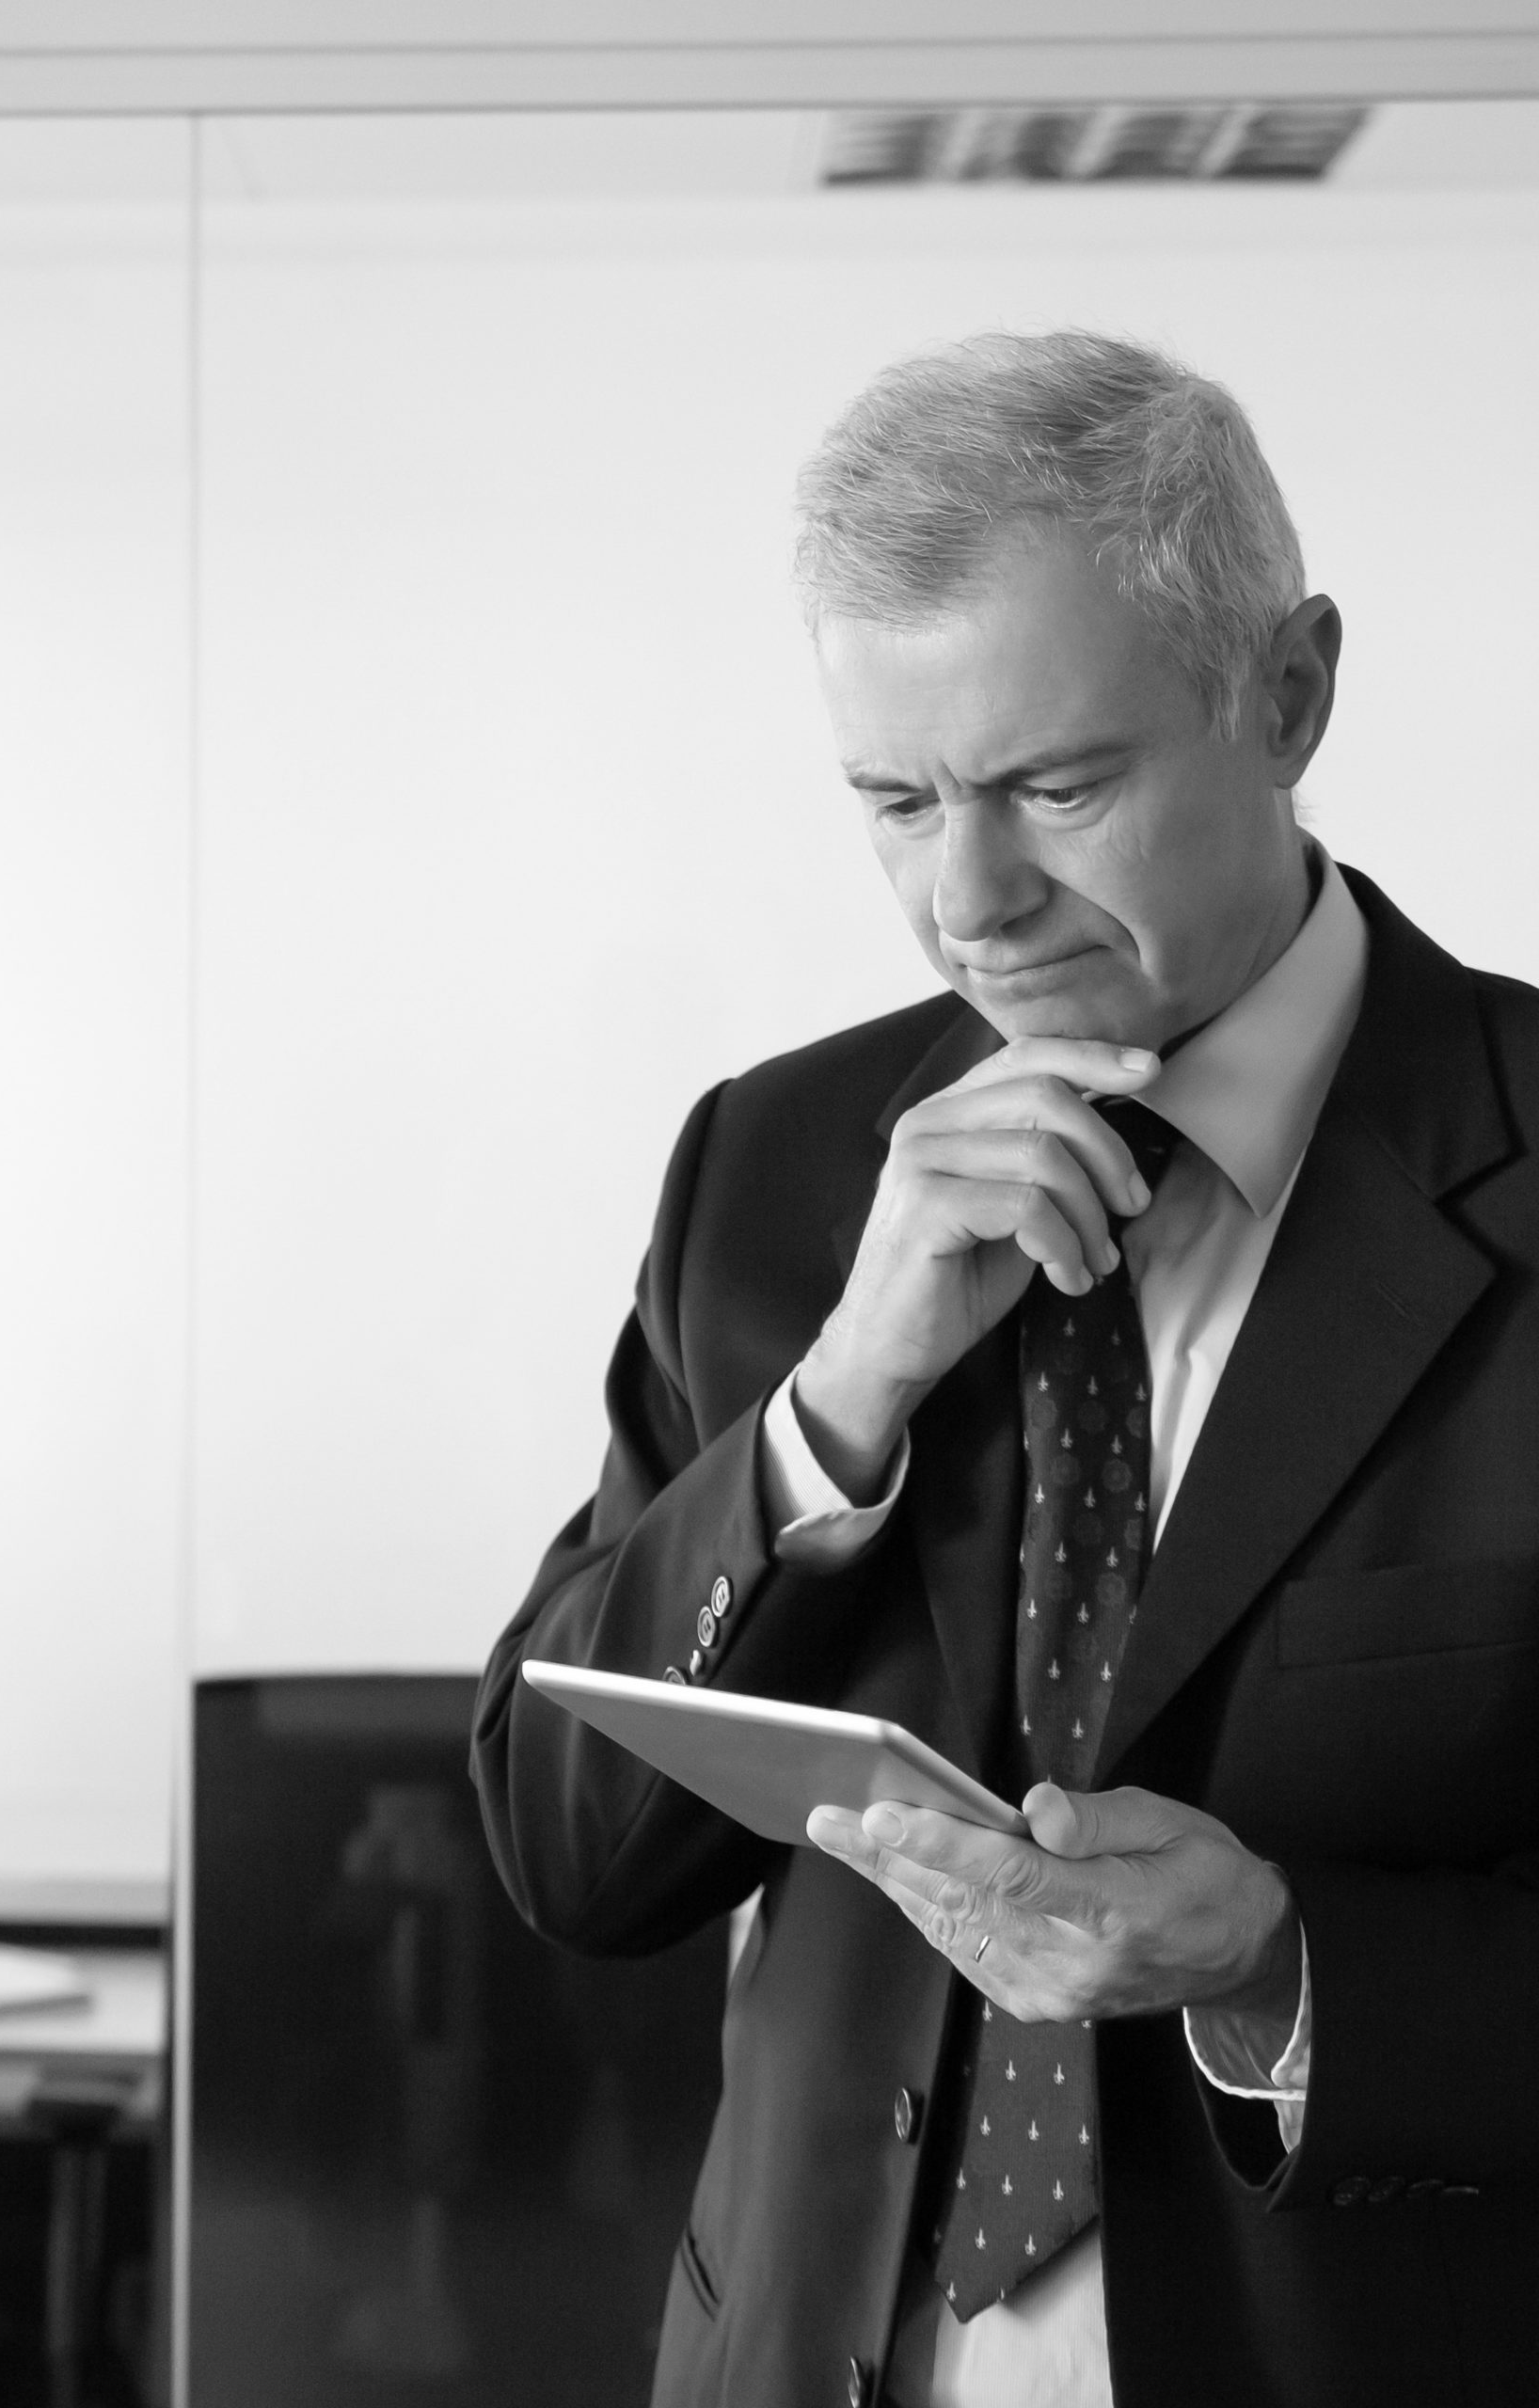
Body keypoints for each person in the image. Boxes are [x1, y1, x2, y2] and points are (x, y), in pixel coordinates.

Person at [471, 329, 1539, 2408]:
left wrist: (1284, 1964)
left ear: (1290, 692)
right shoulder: (772, 1173)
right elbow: (569, 1846)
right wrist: (835, 1397)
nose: (967, 901)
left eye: (1058, 787)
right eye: (894, 799)